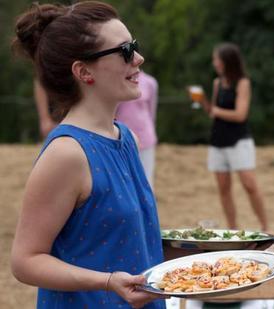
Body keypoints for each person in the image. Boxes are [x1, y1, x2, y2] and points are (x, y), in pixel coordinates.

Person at [11, 2, 166, 308]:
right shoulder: (67, 154)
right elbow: (25, 261)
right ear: (83, 72)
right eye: (124, 50)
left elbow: (123, 240)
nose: (138, 58)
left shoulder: (127, 139)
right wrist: (107, 282)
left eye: (134, 46)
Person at [192, 43, 268, 231]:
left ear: (227, 61)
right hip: (218, 140)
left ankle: (265, 226)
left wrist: (216, 110)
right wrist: (202, 102)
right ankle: (232, 228)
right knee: (224, 188)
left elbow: (240, 114)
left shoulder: (243, 83)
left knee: (249, 184)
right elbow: (213, 112)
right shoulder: (217, 83)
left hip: (239, 140)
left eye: (217, 59)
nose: (214, 63)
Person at [116, 71, 158, 187]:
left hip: (145, 138)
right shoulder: (117, 82)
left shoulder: (150, 82)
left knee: (146, 179)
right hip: (122, 139)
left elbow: (152, 111)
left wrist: (153, 133)